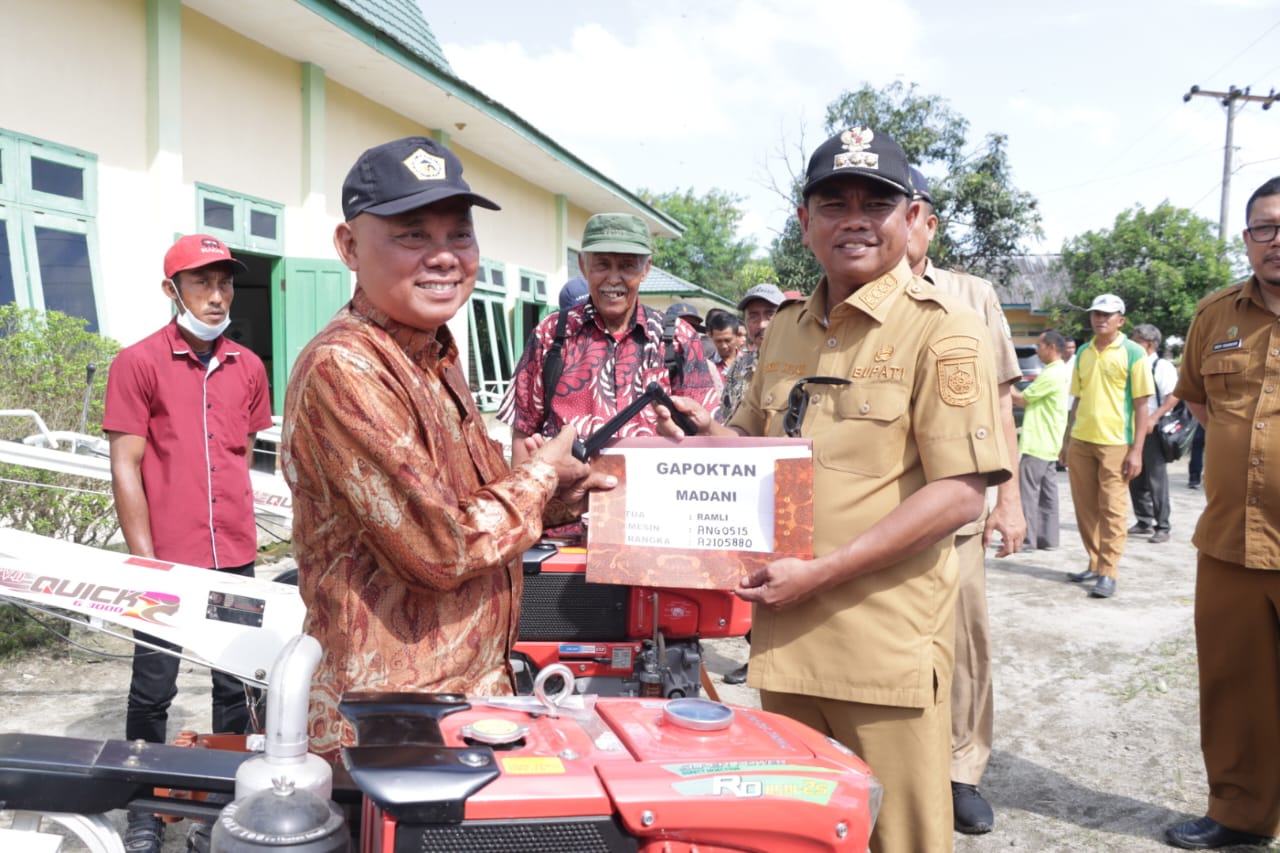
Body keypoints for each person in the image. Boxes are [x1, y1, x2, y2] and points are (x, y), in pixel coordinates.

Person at [660, 126, 1011, 853]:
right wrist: (695, 440)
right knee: (798, 833)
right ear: (805, 222)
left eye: (875, 203)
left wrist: (820, 573)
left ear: (911, 219)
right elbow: (755, 455)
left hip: (881, 649)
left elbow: (958, 494)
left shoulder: (946, 332)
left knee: (899, 839)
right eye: (834, 202)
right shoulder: (785, 330)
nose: (853, 218)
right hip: (784, 643)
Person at [280, 136, 612, 763]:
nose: (443, 258)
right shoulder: (345, 368)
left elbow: (468, 506)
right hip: (387, 721)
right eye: (412, 235)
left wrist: (558, 495)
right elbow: (439, 549)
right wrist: (536, 479)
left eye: (459, 236)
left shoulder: (432, 355)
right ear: (349, 247)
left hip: (462, 702)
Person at [103, 234, 273, 853]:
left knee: (236, 683)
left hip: (234, 557)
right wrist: (147, 559)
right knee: (154, 686)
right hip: (166, 559)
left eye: (225, 282)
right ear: (171, 289)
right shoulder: (139, 363)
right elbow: (126, 465)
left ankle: (219, 803)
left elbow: (241, 456)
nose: (216, 294)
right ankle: (142, 807)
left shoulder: (247, 366)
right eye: (202, 281)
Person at [904, 167, 1025, 834]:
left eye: (916, 211)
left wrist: (1007, 501)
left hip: (960, 506)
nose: (906, 222)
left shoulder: (973, 295)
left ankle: (961, 771)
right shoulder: (857, 293)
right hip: (882, 509)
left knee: (964, 640)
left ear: (927, 222)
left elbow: (1002, 399)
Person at [1164, 177, 1280, 851]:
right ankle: (1240, 814)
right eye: (1264, 227)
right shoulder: (1216, 315)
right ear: (1247, 239)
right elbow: (1201, 404)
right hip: (1232, 541)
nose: (1276, 240)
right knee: (1235, 688)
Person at [498, 213, 720, 466]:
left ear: (646, 268)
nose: (613, 279)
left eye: (627, 266)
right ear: (583, 266)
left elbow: (705, 433)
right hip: (568, 500)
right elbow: (523, 430)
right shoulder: (551, 334)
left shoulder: (678, 337)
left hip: (654, 496)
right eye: (602, 264)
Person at [1058, 293, 1153, 599]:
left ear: (1120, 320)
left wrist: (1136, 450)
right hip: (1082, 440)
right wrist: (1066, 440)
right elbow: (1077, 400)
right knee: (1085, 507)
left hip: (1116, 443)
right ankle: (1095, 561)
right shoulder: (1083, 351)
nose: (1100, 319)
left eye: (1107, 315)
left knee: (1112, 508)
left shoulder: (1133, 352)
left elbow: (1141, 406)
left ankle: (1109, 571)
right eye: (1096, 314)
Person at [1012, 330, 1070, 550]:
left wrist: (1003, 380)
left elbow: (1022, 399)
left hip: (1038, 441)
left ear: (1051, 348)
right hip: (1050, 441)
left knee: (1028, 492)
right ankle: (1048, 539)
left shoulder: (1052, 373)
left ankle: (1027, 539)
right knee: (1048, 495)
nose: (1037, 350)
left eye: (1040, 345)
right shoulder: (1059, 371)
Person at [1127, 323, 1179, 544]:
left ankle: (1162, 525)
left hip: (1152, 429)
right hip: (1130, 427)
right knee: (1134, 477)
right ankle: (1143, 519)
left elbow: (1173, 396)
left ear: (1148, 345)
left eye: (1135, 340)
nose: (1130, 343)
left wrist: (1153, 418)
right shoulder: (1132, 364)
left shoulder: (1161, 366)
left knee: (1156, 479)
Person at [720, 282, 785, 421]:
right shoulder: (739, 367)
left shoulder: (803, 361)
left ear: (787, 316)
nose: (762, 324)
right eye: (754, 316)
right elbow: (726, 420)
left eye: (770, 314)